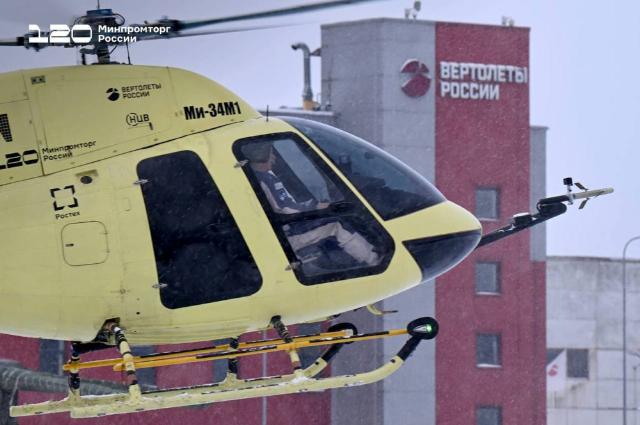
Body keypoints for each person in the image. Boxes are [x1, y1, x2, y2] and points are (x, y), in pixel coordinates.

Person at [244, 143, 380, 267]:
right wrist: (315, 206)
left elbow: (288, 204)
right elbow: (287, 210)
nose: (273, 157)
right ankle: (375, 261)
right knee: (337, 225)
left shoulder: (264, 175)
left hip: (288, 227)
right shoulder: (264, 180)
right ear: (261, 156)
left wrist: (314, 204)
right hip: (288, 235)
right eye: (271, 154)